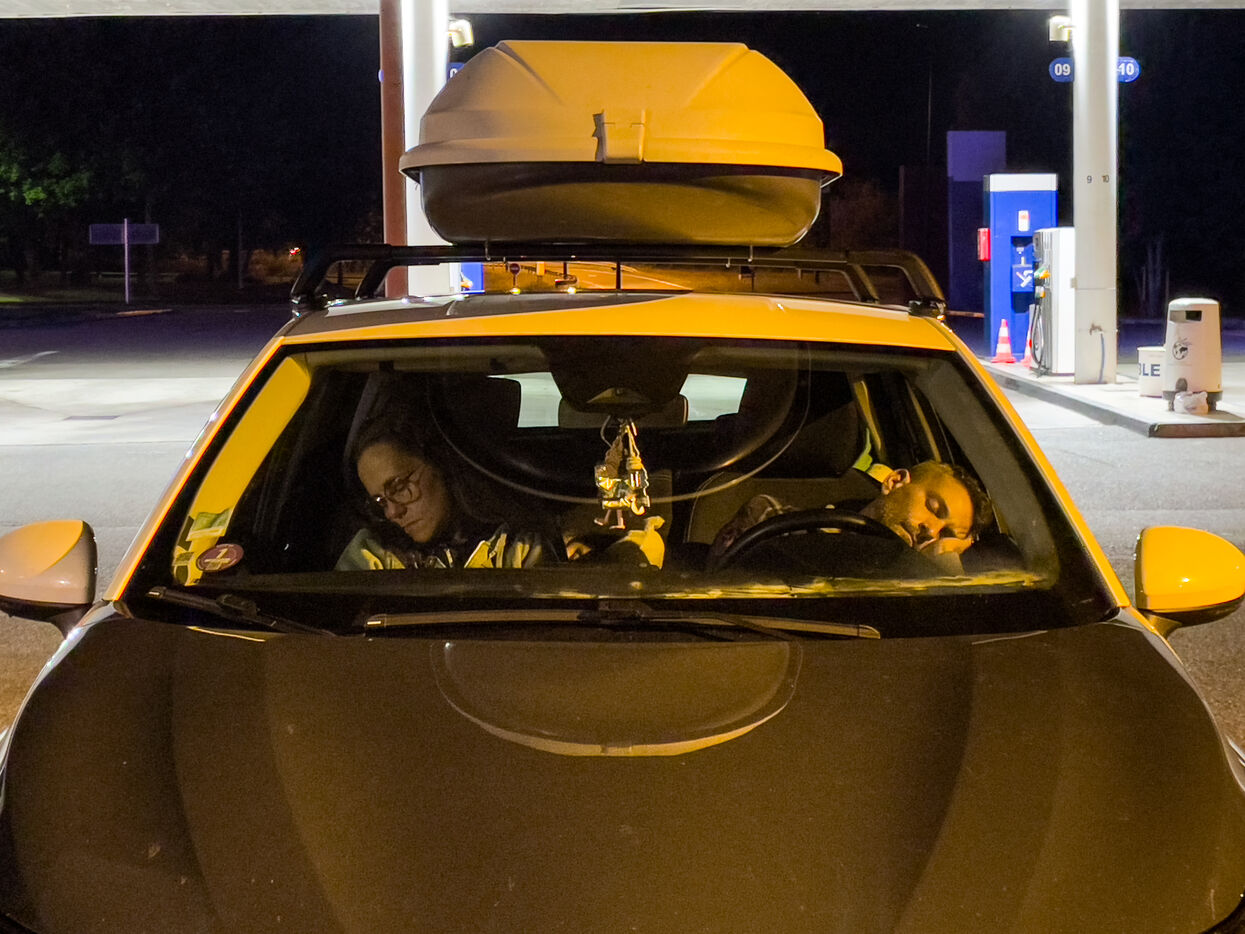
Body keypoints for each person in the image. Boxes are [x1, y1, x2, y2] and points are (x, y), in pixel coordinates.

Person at [337, 418, 557, 571]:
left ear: (439, 463)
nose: (392, 513)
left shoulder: (517, 548)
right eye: (380, 502)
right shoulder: (372, 555)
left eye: (398, 487)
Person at [709, 460, 993, 574]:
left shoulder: (914, 584)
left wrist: (945, 566)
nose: (932, 530)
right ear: (894, 482)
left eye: (946, 534)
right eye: (933, 508)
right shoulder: (770, 516)